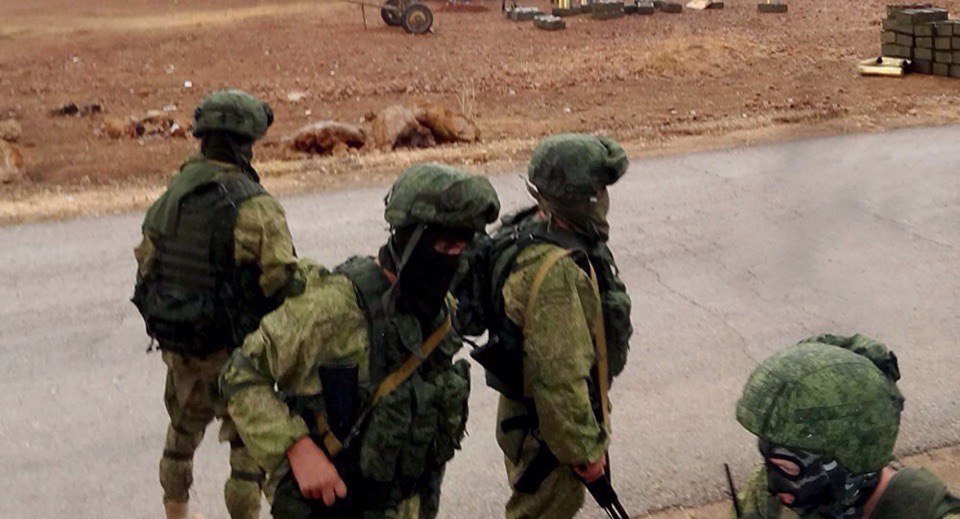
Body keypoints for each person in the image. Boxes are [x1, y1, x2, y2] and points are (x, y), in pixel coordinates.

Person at [220, 164, 500, 518]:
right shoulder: (335, 310)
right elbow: (240, 373)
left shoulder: (439, 311)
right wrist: (296, 446)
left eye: (462, 246)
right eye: (443, 245)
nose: (452, 260)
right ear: (408, 239)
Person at [132, 89, 301, 519]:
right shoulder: (256, 206)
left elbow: (147, 265)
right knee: (246, 458)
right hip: (236, 351)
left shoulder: (172, 197)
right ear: (247, 144)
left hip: (183, 345)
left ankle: (176, 512)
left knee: (180, 439)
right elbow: (283, 283)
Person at [455, 133, 633, 518]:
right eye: (597, 191)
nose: (603, 199)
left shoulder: (533, 228)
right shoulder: (555, 271)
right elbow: (559, 375)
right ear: (576, 198)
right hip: (548, 429)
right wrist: (583, 450)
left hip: (530, 417)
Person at [734, 334, 960, 519]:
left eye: (789, 469)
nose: (772, 484)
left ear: (851, 465)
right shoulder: (764, 495)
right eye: (769, 462)